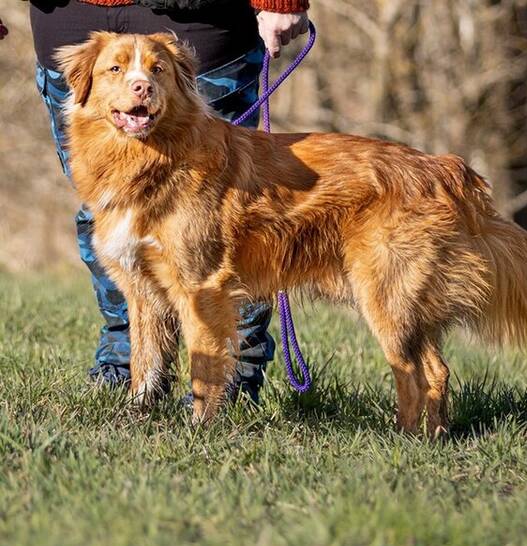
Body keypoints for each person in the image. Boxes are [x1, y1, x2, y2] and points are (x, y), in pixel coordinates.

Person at [0, 0, 309, 402]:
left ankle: (227, 380)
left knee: (229, 227)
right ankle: (132, 373)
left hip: (199, 25)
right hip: (68, 17)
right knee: (113, 226)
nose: (138, 83)